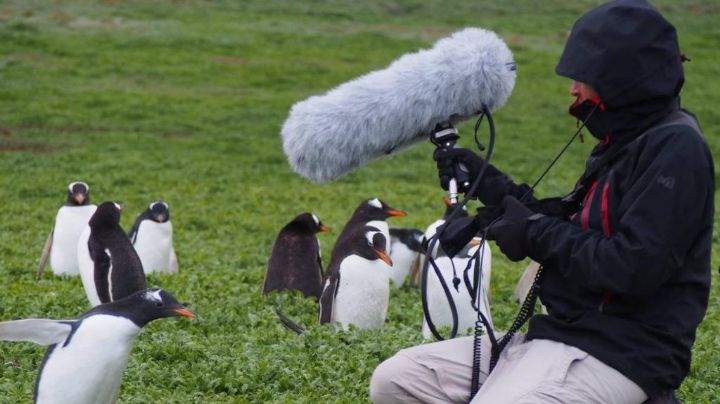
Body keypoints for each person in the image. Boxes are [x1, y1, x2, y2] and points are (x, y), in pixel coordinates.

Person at [369, 0, 714, 403]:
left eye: (583, 77)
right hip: (561, 334)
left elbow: (632, 267)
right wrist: (494, 188)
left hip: (624, 354)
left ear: (621, 78)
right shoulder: (624, 140)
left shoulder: (676, 149)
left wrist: (532, 232)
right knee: (396, 381)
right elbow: (573, 224)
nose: (573, 89)